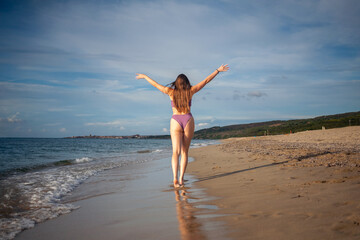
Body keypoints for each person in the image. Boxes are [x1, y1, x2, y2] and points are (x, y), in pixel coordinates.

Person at [136, 64, 229, 188]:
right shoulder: (190, 91)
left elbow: (156, 84)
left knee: (175, 152)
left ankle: (174, 179)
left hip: (175, 120)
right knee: (185, 152)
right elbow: (206, 81)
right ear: (186, 83)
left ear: (176, 83)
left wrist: (145, 76)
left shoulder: (170, 92)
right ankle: (181, 179)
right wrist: (217, 70)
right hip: (188, 119)